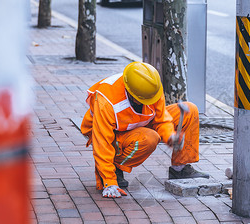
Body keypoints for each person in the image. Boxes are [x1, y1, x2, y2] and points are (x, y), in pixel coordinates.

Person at [81, 61, 209, 198]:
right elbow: (102, 142)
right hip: (115, 133)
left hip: (137, 122)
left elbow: (162, 119)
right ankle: (115, 167)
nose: (149, 103)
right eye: (143, 101)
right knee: (149, 138)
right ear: (130, 94)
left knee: (190, 110)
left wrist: (170, 136)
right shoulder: (106, 102)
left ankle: (180, 168)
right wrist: (109, 181)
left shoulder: (150, 89)